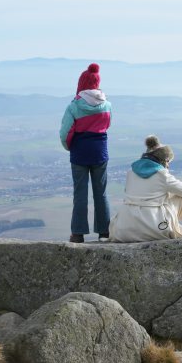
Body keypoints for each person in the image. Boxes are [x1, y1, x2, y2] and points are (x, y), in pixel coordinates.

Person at [109, 135, 182, 242]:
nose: (168, 166)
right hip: (154, 227)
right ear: (163, 160)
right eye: (168, 162)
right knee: (181, 200)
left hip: (124, 229)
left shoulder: (130, 172)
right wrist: (169, 193)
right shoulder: (162, 175)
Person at [60, 63, 111, 243]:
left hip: (80, 154)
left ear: (81, 83)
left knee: (80, 194)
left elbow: (65, 133)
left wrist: (70, 146)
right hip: (100, 153)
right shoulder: (107, 105)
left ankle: (78, 233)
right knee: (101, 193)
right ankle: (104, 231)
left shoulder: (74, 106)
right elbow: (106, 126)